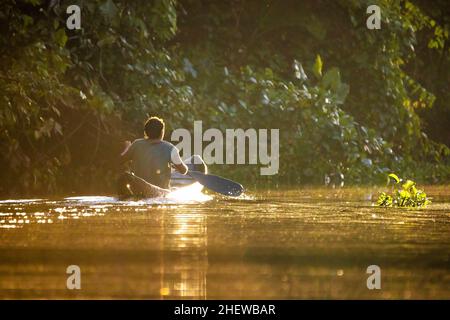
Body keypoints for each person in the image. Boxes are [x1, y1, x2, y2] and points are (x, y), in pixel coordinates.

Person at [118, 116, 189, 198]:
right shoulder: (171, 148)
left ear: (145, 132)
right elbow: (184, 171)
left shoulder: (136, 144)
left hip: (138, 191)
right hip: (160, 194)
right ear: (162, 132)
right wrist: (179, 166)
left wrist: (127, 148)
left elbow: (120, 160)